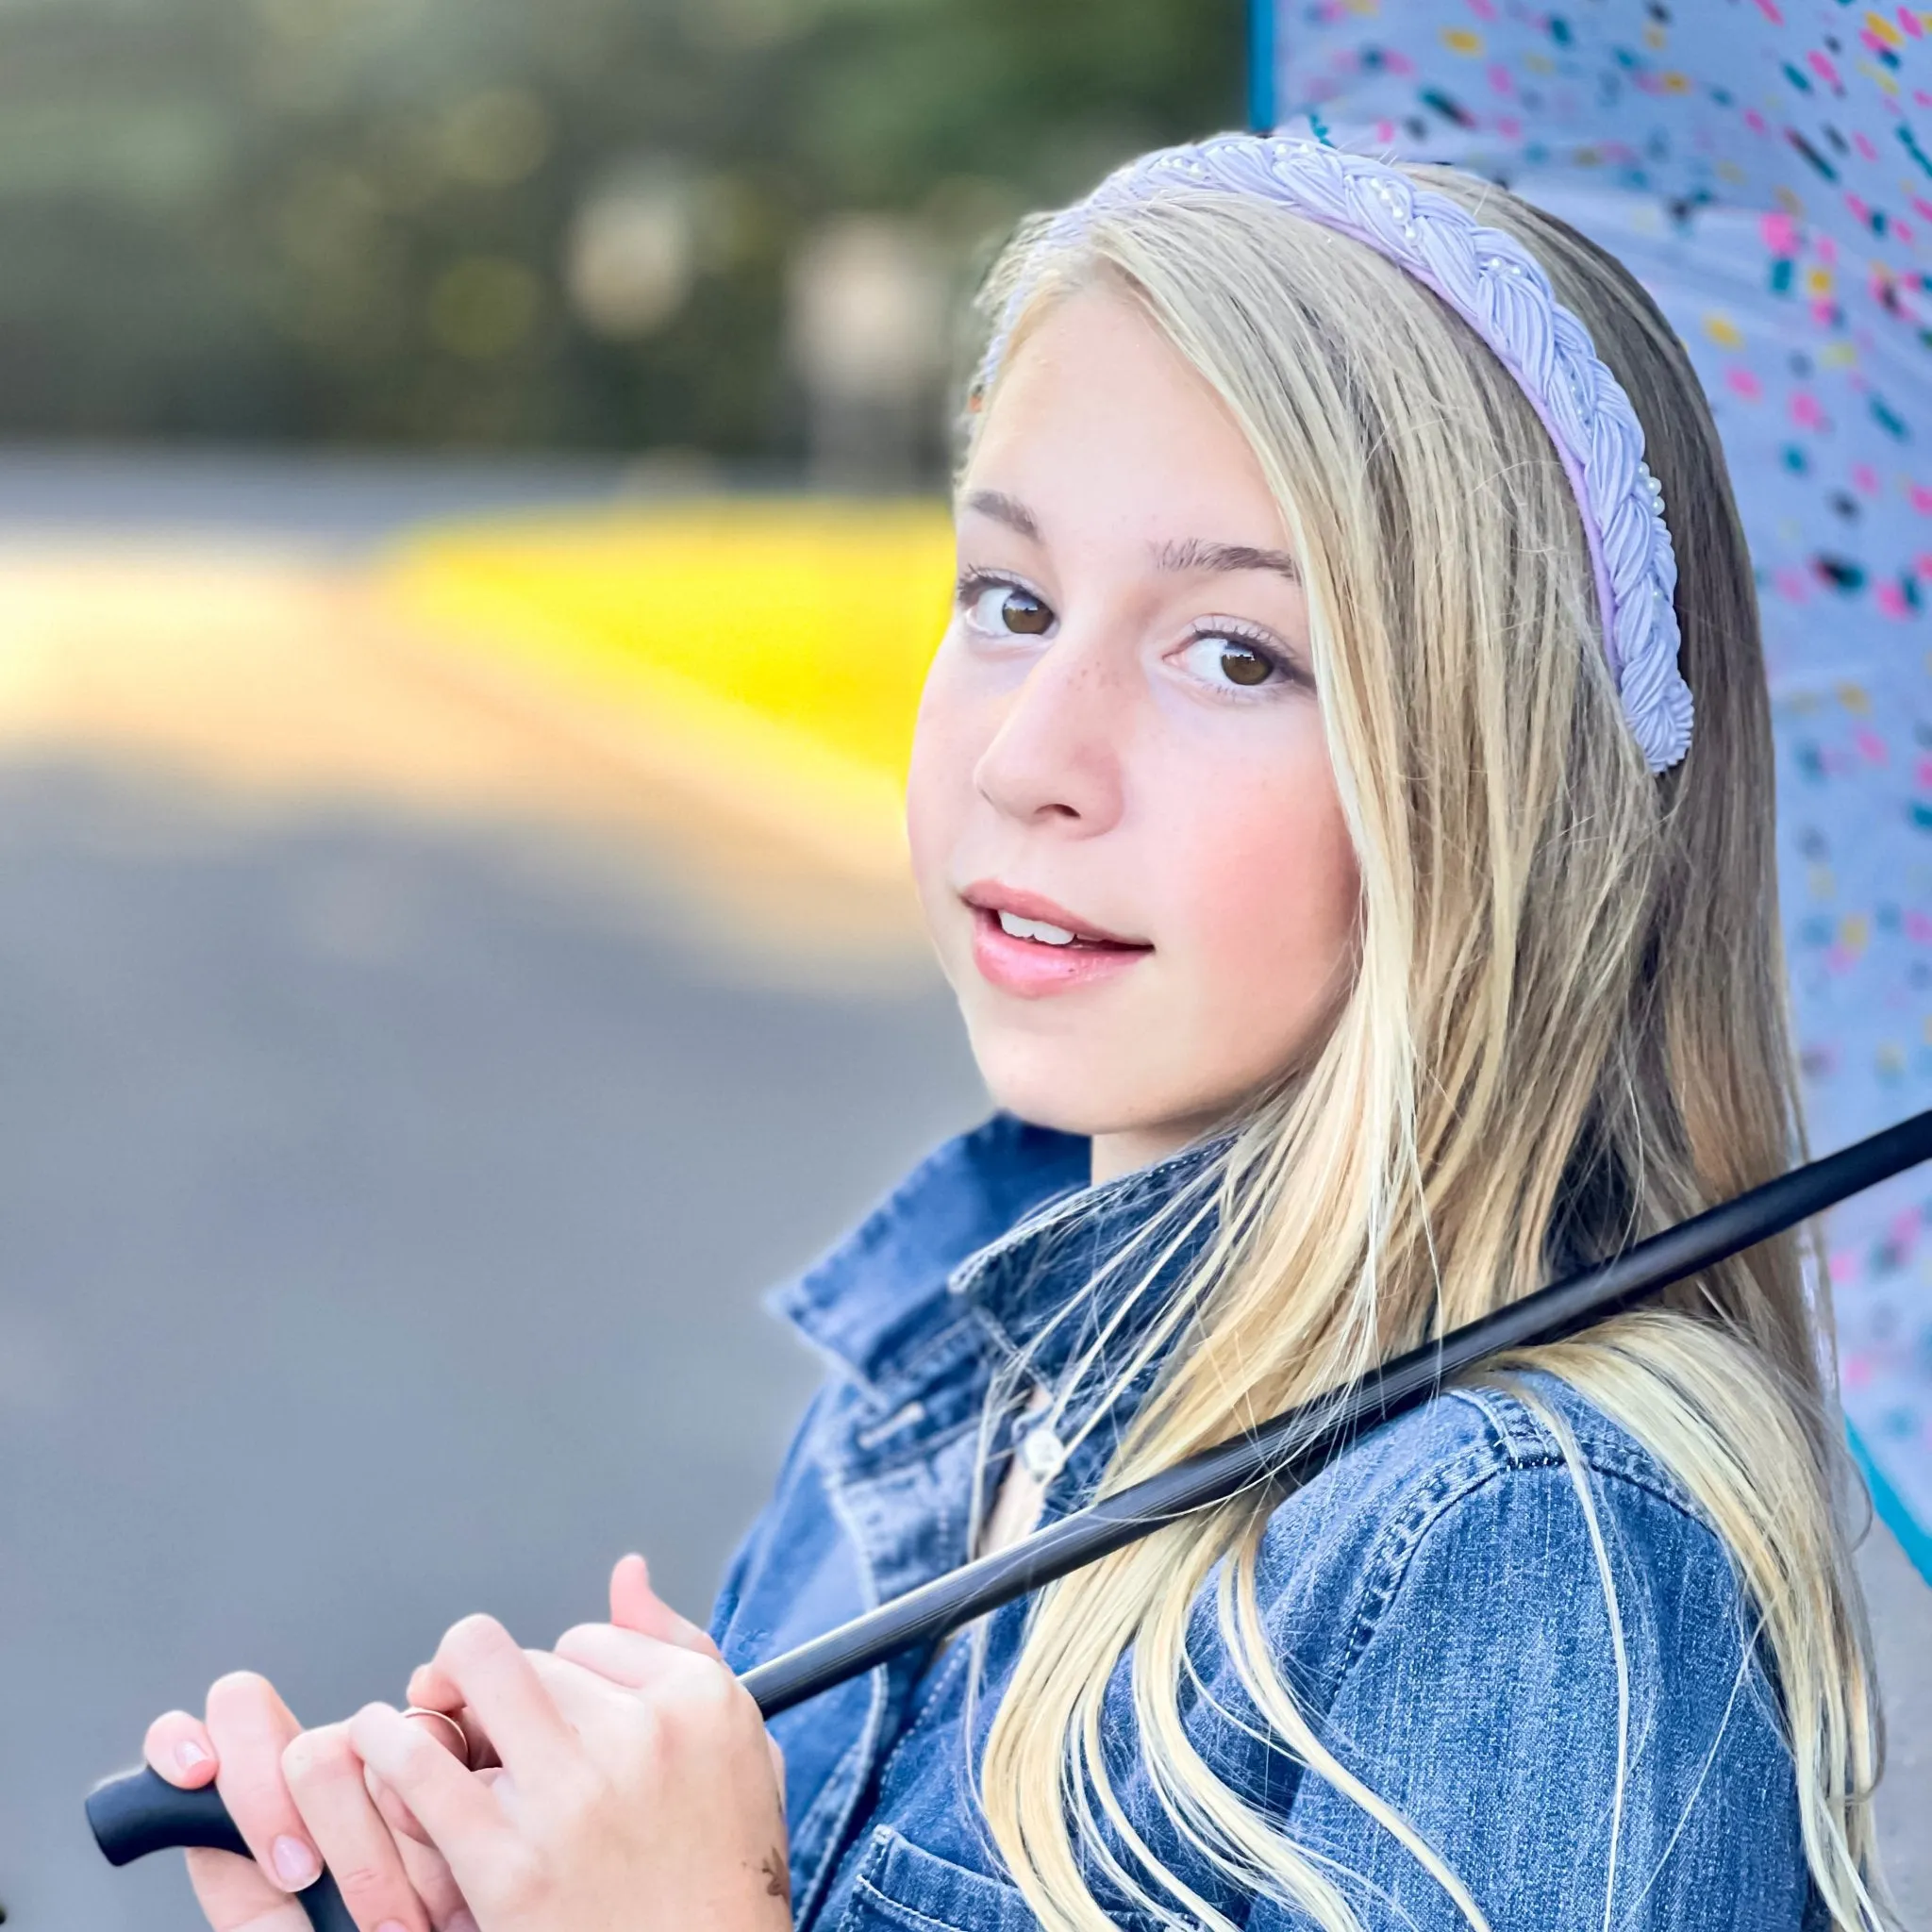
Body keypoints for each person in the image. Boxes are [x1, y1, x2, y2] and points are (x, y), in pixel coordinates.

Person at [139, 135, 1900, 1932]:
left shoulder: (1530, 1560)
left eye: (1235, 654)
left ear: (1511, 802)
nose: (1027, 755)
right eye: (1012, 602)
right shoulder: (959, 1389)